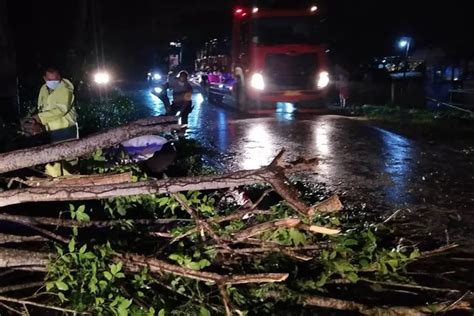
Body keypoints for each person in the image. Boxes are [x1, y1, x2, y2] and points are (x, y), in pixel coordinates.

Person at [28, 68, 78, 176]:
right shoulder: (43, 89)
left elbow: (61, 110)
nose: (53, 82)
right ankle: (55, 188)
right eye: (50, 79)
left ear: (59, 76)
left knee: (69, 160)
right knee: (52, 162)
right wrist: (39, 125)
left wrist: (39, 118)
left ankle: (73, 186)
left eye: (56, 79)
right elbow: (41, 107)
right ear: (45, 79)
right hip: (49, 130)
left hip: (66, 129)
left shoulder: (66, 89)